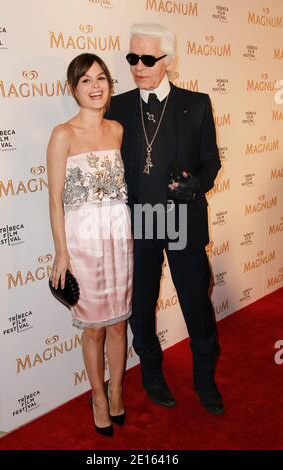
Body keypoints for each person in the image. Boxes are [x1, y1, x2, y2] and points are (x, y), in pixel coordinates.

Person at [107, 23, 224, 415]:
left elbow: (212, 162)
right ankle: (152, 374)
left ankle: (205, 380)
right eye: (131, 58)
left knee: (196, 304)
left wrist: (197, 185)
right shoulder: (117, 106)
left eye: (147, 59)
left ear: (169, 61)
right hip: (139, 219)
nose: (137, 67)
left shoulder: (198, 103)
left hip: (181, 219)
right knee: (141, 304)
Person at [47, 53, 133, 437]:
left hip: (119, 237)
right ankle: (98, 396)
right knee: (95, 329)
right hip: (83, 243)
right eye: (86, 80)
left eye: (101, 78)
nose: (96, 86)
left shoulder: (116, 130)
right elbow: (54, 200)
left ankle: (117, 391)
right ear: (73, 88)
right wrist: (61, 251)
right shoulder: (62, 134)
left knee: (118, 324)